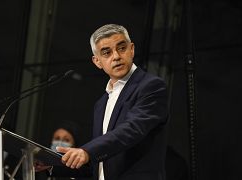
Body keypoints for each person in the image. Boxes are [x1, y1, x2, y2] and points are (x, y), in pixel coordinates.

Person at [37, 24, 169, 180]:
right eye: (107, 52)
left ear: (132, 49)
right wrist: (53, 165)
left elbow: (131, 129)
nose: (116, 56)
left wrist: (87, 151)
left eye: (121, 48)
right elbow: (98, 166)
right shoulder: (101, 104)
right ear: (97, 61)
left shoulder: (151, 86)